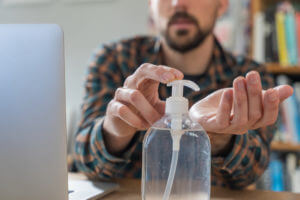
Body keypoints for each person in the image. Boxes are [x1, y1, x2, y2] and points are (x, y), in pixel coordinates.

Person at [74, 0, 293, 188]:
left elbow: (251, 172)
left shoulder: (248, 77)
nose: (178, 3)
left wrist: (219, 139)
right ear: (151, 5)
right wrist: (115, 131)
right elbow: (84, 162)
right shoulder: (115, 59)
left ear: (222, 4)